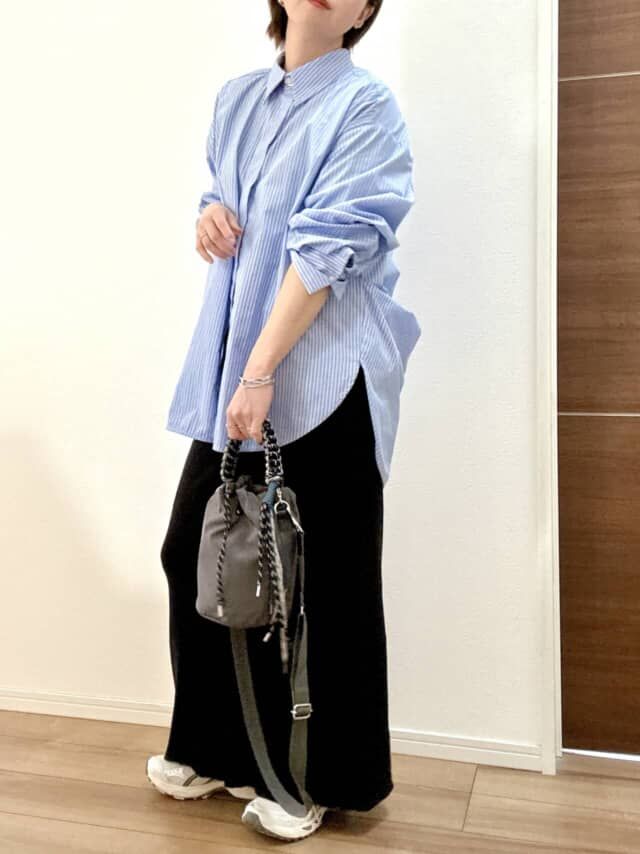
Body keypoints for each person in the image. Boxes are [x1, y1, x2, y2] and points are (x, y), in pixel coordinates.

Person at [146, 0, 421, 842]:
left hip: (322, 374)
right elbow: (225, 203)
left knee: (322, 583)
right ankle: (214, 748)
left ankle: (312, 781)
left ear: (364, 11)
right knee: (195, 549)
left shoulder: (366, 106)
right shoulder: (237, 100)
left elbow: (331, 246)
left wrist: (262, 369)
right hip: (237, 370)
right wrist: (209, 217)